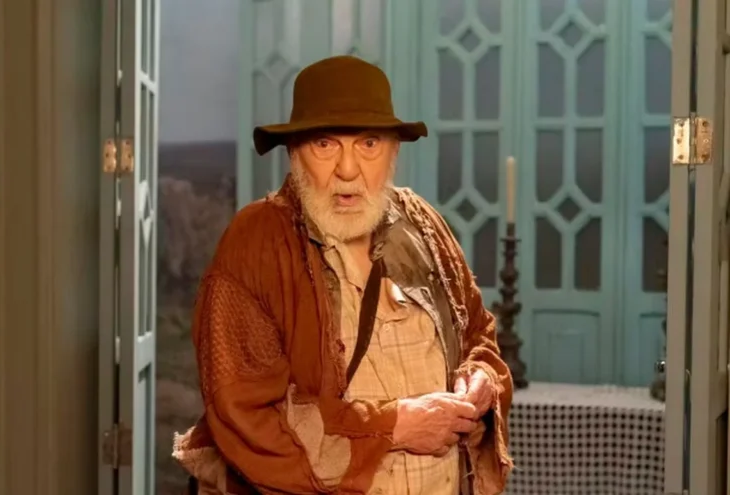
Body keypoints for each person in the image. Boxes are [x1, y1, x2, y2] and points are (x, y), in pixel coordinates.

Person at [173, 55, 513, 495]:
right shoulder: (257, 242)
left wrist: (481, 379)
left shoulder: (422, 225)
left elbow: (478, 334)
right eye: (325, 145)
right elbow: (244, 413)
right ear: (295, 152)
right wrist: (394, 427)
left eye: (368, 144)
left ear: (393, 150)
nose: (348, 170)